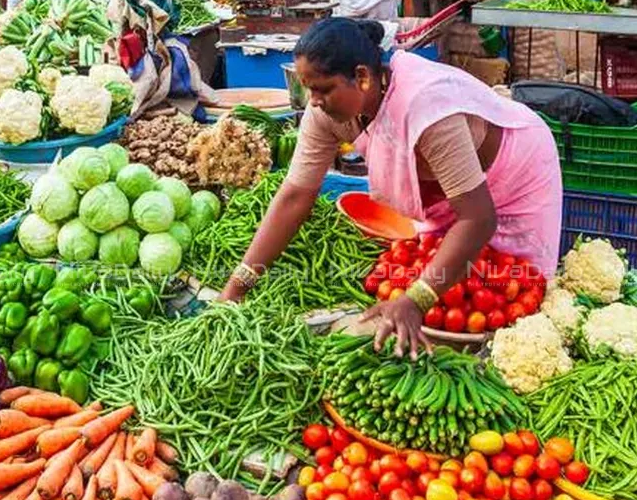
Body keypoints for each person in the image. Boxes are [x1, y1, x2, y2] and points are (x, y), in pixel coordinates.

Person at [218, 18, 563, 355]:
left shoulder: (425, 106)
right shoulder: (325, 113)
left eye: (323, 89)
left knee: (513, 290)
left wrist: (416, 298)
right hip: (448, 192)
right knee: (454, 280)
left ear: (363, 77)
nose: (314, 100)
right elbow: (295, 195)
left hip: (514, 172)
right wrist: (237, 286)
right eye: (308, 89)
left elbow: (477, 218)